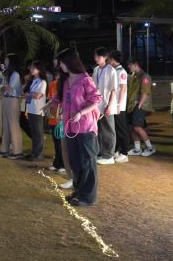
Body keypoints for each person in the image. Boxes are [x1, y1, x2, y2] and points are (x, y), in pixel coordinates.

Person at [50, 49, 101, 207]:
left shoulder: (85, 79)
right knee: (75, 161)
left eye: (62, 62)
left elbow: (96, 100)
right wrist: (49, 104)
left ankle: (88, 196)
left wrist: (81, 113)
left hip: (85, 127)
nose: (60, 65)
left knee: (87, 161)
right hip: (70, 126)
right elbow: (60, 98)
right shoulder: (65, 81)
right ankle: (79, 191)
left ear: (70, 62)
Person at [92, 47, 119, 165]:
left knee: (108, 130)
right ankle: (101, 153)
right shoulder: (96, 69)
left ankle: (109, 155)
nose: (96, 58)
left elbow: (114, 90)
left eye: (99, 56)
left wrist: (109, 105)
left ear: (105, 57)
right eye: (95, 56)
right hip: (97, 105)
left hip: (107, 104)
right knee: (99, 130)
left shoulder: (111, 70)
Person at [0, 54, 24, 159]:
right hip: (7, 99)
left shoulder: (15, 74)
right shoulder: (7, 74)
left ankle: (17, 151)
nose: (5, 62)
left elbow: (9, 87)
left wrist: (4, 87)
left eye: (7, 61)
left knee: (13, 125)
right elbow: (3, 87)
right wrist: (4, 87)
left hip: (13, 100)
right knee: (6, 125)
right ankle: (5, 149)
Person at [126, 59, 156, 157]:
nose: (129, 67)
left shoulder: (145, 77)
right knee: (132, 127)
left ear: (136, 65)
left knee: (137, 127)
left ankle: (150, 147)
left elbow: (145, 92)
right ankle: (137, 149)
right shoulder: (134, 76)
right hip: (132, 105)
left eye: (130, 65)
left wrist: (139, 105)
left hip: (139, 105)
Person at [108, 50, 130, 163]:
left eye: (109, 59)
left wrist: (118, 104)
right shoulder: (115, 70)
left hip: (119, 105)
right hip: (114, 104)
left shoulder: (121, 71)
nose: (108, 61)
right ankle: (116, 150)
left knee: (122, 129)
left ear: (112, 59)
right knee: (115, 128)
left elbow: (123, 88)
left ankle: (125, 153)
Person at [23, 60, 47, 161]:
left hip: (37, 110)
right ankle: (34, 152)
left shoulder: (42, 82)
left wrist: (29, 94)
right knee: (34, 132)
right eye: (31, 67)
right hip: (31, 109)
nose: (31, 69)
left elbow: (37, 95)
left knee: (38, 132)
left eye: (34, 68)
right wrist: (30, 95)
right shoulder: (33, 81)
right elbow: (29, 94)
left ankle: (39, 154)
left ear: (39, 69)